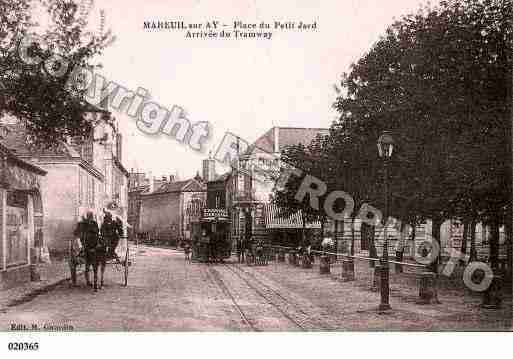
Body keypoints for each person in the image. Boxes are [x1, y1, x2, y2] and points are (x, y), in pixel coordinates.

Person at [74, 211, 100, 286]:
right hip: (86, 245)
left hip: (93, 244)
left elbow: (97, 232)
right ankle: (88, 280)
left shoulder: (94, 223)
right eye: (89, 217)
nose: (90, 218)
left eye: (90, 217)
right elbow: (78, 233)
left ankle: (92, 280)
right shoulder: (83, 223)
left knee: (91, 265)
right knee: (88, 265)